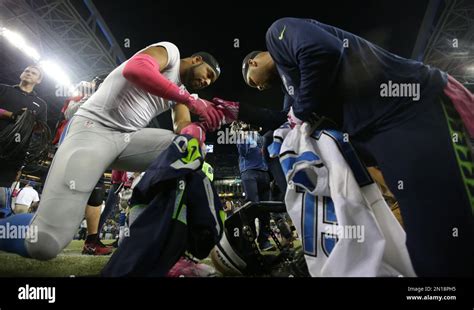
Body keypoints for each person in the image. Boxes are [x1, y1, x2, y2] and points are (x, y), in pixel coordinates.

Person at [213, 17, 474, 276]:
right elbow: (288, 119)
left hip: (414, 110)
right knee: (426, 247)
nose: (258, 87)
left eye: (252, 81)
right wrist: (238, 111)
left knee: (449, 235)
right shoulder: (291, 85)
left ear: (252, 62)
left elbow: (322, 51)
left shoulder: (278, 32)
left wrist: (299, 111)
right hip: (383, 135)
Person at [0, 41, 223, 260]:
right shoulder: (170, 53)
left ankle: (161, 242)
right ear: (196, 60)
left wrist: (203, 125)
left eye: (211, 80)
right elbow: (135, 69)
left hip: (126, 140)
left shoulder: (181, 93)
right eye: (208, 73)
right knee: (43, 243)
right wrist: (191, 101)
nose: (206, 80)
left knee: (189, 149)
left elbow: (183, 129)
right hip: (91, 131)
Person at [0, 65, 47, 218]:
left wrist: (30, 121)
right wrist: (11, 115)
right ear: (21, 74)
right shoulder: (4, 89)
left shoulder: (41, 104)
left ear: (38, 80)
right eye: (26, 71)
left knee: (1, 193)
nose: (29, 74)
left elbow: (40, 130)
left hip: (14, 154)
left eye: (34, 73)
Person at [236, 127, 275, 251]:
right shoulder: (243, 135)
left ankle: (264, 241)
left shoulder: (261, 137)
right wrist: (241, 135)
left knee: (266, 208)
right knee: (252, 206)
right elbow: (243, 152)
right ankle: (250, 240)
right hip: (249, 172)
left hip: (264, 172)